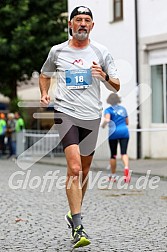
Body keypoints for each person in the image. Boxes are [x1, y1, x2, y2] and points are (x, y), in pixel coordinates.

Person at [39, 6, 120, 248]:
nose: (82, 24)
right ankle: (77, 225)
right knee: (74, 168)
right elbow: (44, 74)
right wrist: (45, 93)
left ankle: (74, 211)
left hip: (91, 116)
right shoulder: (58, 51)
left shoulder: (101, 51)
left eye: (87, 20)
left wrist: (103, 75)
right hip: (65, 113)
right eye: (78, 20)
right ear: (71, 25)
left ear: (92, 26)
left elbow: (116, 86)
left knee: (84, 170)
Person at [101, 93, 131, 183]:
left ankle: (113, 175)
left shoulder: (108, 110)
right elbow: (127, 122)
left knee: (113, 154)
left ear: (109, 101)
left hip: (113, 133)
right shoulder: (123, 109)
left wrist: (103, 125)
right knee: (124, 153)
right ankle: (126, 168)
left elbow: (107, 119)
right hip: (124, 132)